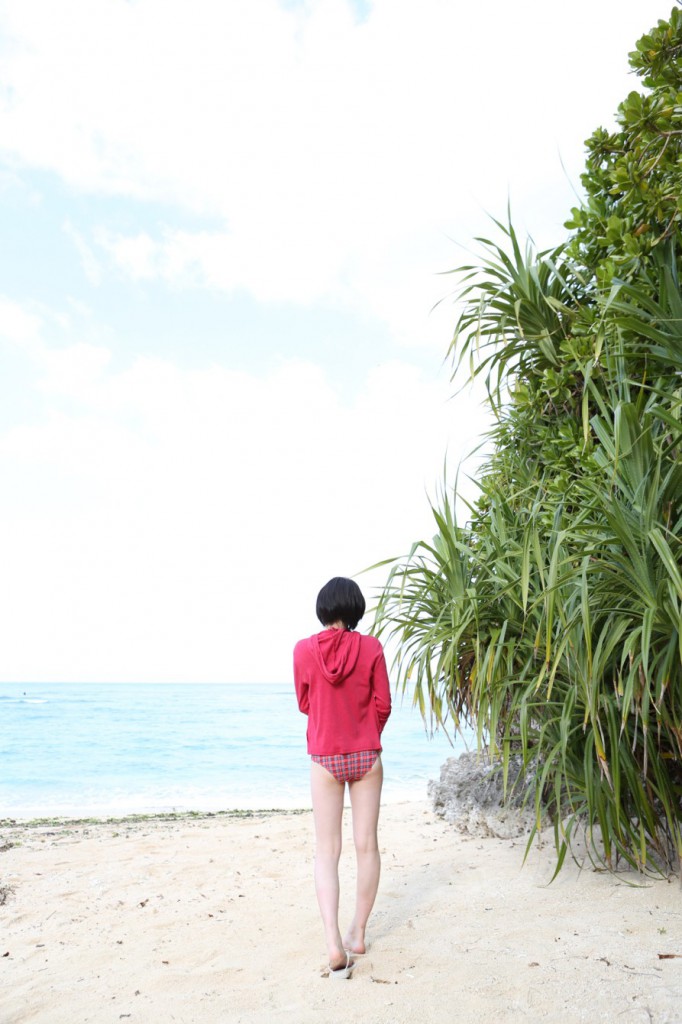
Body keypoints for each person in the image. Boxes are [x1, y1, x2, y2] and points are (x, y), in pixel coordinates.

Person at [293, 576, 391, 979]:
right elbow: (383, 704)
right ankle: (358, 934)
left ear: (323, 608)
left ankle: (334, 942)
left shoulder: (303, 650)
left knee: (326, 850)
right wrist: (365, 731)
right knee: (366, 846)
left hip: (324, 757)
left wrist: (329, 721)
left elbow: (304, 702)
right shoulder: (372, 647)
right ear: (355, 608)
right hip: (366, 755)